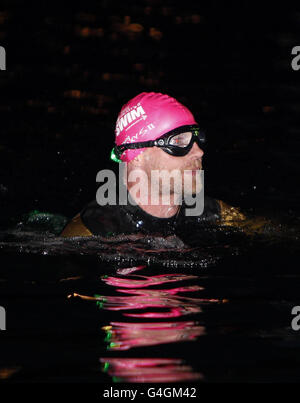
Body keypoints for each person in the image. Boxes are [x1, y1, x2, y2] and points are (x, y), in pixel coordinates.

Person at [60, 92, 263, 239]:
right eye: (178, 142)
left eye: (196, 139)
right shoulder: (90, 232)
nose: (198, 151)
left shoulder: (215, 213)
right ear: (137, 155)